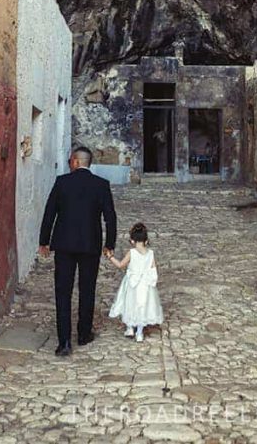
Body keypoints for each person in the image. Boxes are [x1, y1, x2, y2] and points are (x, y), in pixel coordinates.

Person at [38, 147, 118, 356]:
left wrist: (43, 241)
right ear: (87, 162)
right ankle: (83, 334)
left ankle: (64, 341)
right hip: (90, 246)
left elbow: (49, 213)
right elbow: (110, 217)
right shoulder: (101, 185)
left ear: (74, 161)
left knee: (63, 292)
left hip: (64, 245)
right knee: (87, 289)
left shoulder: (62, 182)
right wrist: (109, 244)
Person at [106, 222, 163, 342]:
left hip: (132, 284)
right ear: (146, 241)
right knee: (142, 306)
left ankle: (130, 327)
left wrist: (110, 257)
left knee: (130, 304)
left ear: (132, 241)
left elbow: (121, 265)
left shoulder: (131, 253)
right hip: (145, 285)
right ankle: (140, 333)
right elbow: (153, 270)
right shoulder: (150, 254)